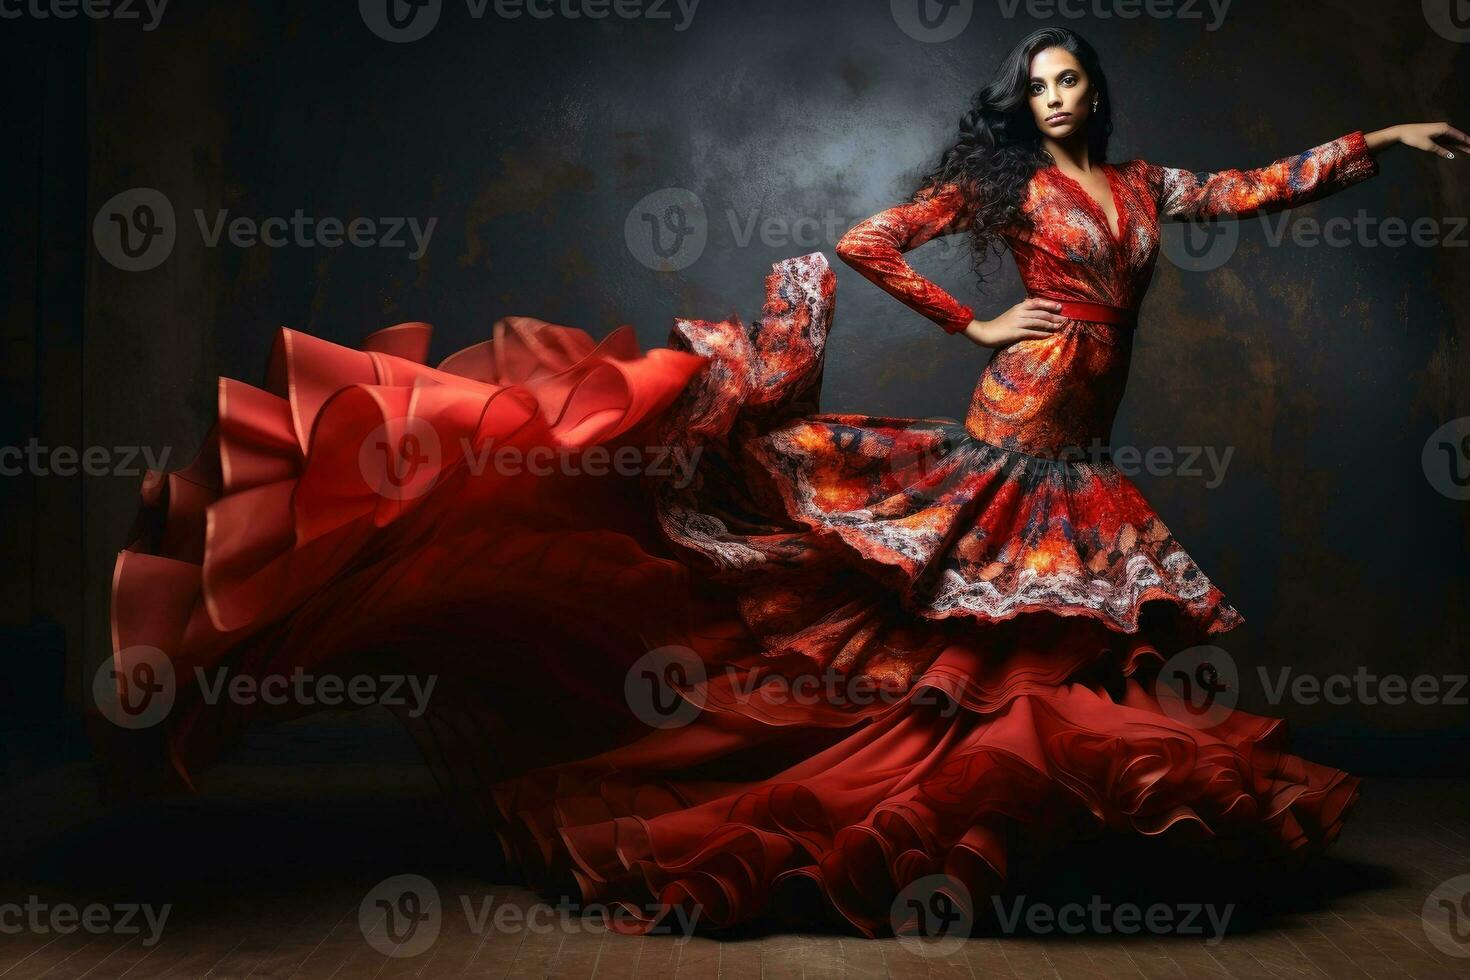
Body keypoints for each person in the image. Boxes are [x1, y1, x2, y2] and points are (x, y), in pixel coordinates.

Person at [100, 26, 1468, 938]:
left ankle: (1028, 840)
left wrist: (1382, 145)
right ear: (1020, 99)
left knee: (1040, 642)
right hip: (1013, 427)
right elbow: (869, 242)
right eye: (1041, 83)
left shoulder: (1139, 185)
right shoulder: (1003, 197)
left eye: (1075, 82)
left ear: (1094, 95)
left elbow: (1248, 185)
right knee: (973, 641)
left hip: (1083, 447)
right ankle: (937, 832)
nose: (1062, 97)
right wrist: (978, 326)